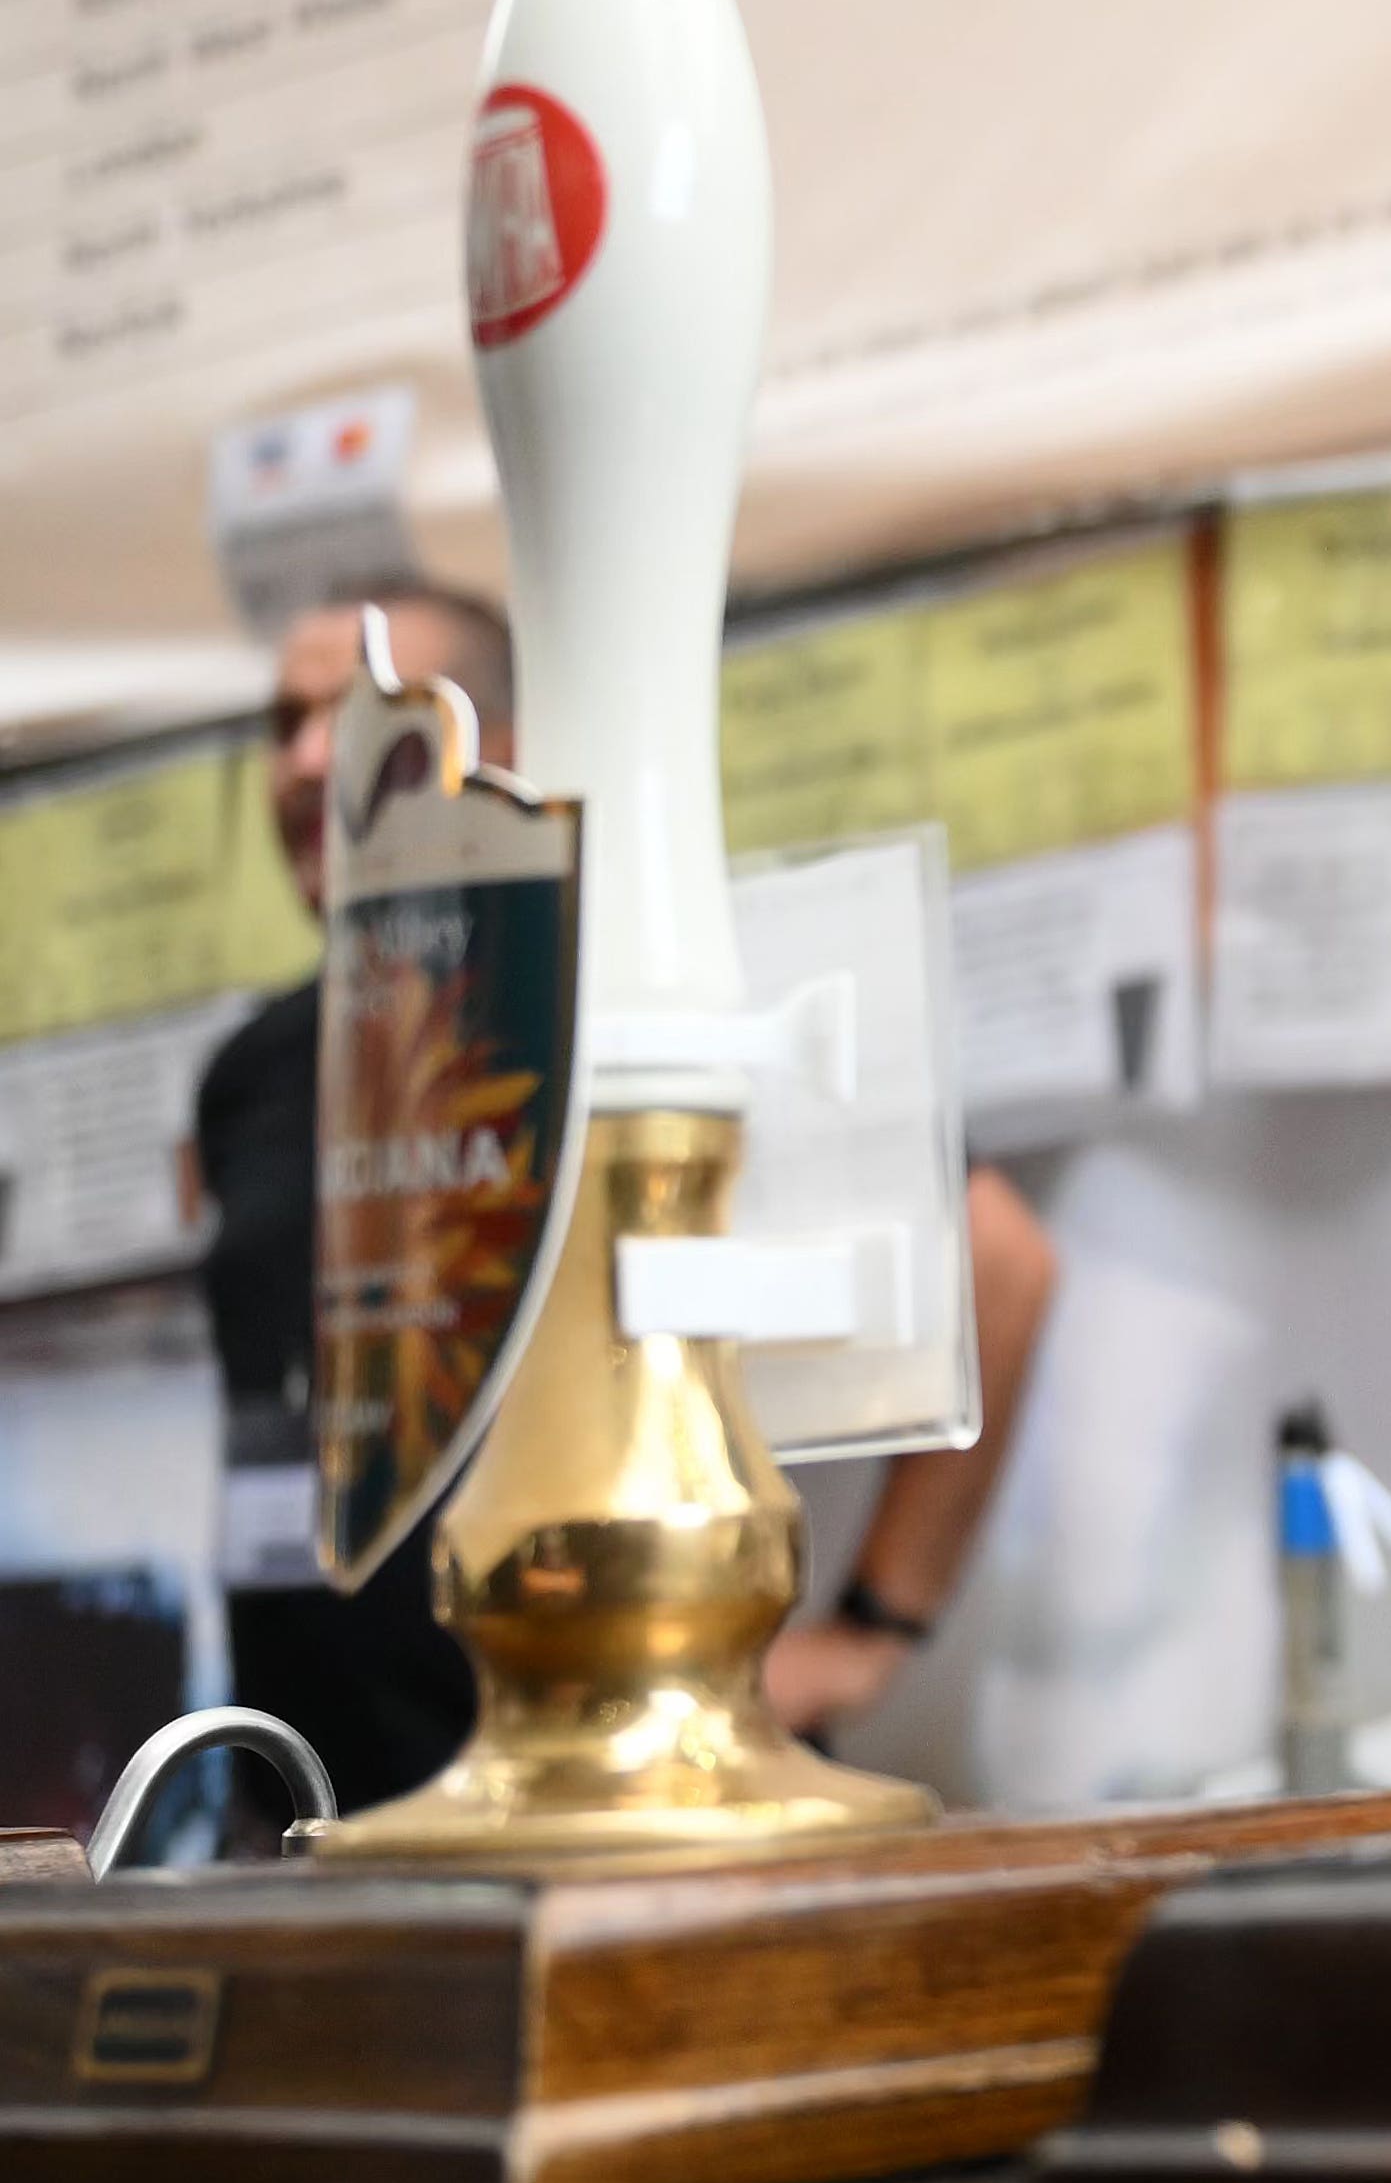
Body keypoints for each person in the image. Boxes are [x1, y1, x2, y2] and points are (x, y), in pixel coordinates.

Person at [196, 583, 1056, 1805]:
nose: (302, 761)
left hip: (610, 1789)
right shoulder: (256, 1073)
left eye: (348, 712)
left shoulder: (613, 998)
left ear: (497, 748)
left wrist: (871, 1631)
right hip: (310, 1792)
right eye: (280, 724)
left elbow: (1002, 1259)